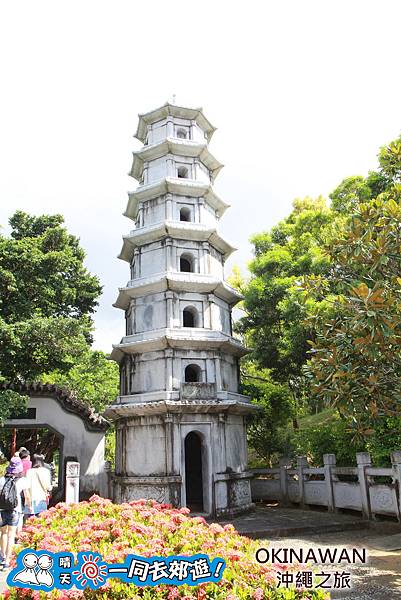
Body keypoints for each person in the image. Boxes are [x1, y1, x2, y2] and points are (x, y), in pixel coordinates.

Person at [0, 457, 30, 569]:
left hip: (1, 509)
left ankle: (2, 557)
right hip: (15, 510)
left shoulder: (1, 479)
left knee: (3, 533)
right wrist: (29, 507)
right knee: (11, 535)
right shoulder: (22, 480)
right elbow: (27, 495)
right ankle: (7, 561)